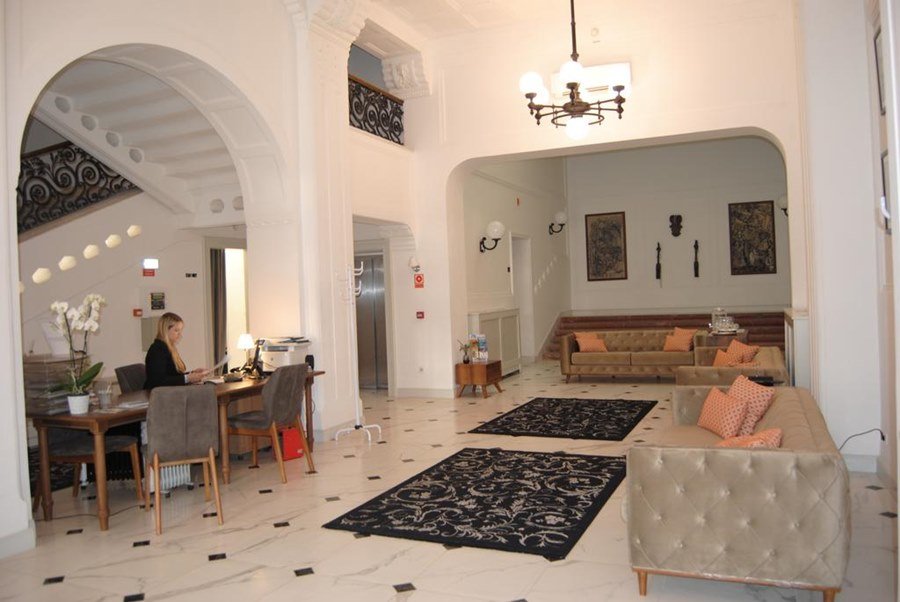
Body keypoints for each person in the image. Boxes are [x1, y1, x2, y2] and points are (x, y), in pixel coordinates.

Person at [144, 312, 209, 389]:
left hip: (168, 392)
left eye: (180, 331)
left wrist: (193, 374)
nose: (180, 335)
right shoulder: (157, 349)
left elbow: (173, 375)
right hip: (158, 394)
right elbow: (159, 381)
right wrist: (188, 378)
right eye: (176, 330)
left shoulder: (168, 348)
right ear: (165, 330)